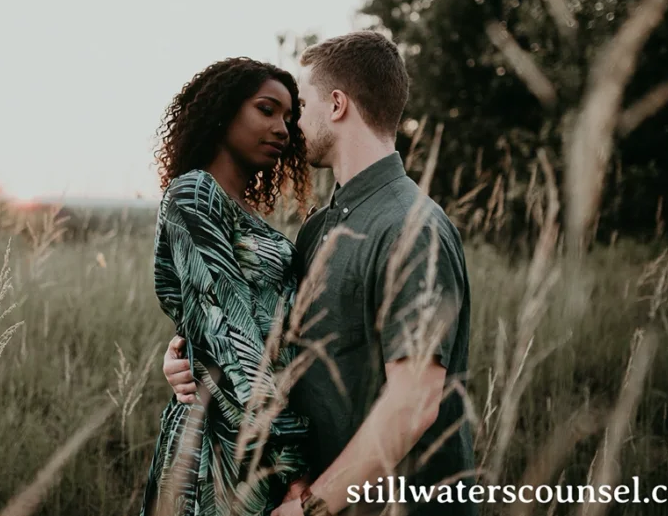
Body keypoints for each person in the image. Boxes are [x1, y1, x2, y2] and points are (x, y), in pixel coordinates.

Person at [162, 31, 476, 516]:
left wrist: (314, 505)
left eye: (300, 107)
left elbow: (414, 400)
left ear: (335, 105)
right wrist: (193, 359)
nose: (291, 127)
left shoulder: (412, 227)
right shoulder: (317, 229)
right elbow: (262, 344)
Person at [138, 57, 317, 516]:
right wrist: (292, 468)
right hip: (221, 450)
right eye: (266, 109)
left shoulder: (244, 213)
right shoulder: (193, 195)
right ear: (223, 111)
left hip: (260, 439)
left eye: (290, 117)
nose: (282, 128)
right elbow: (230, 341)